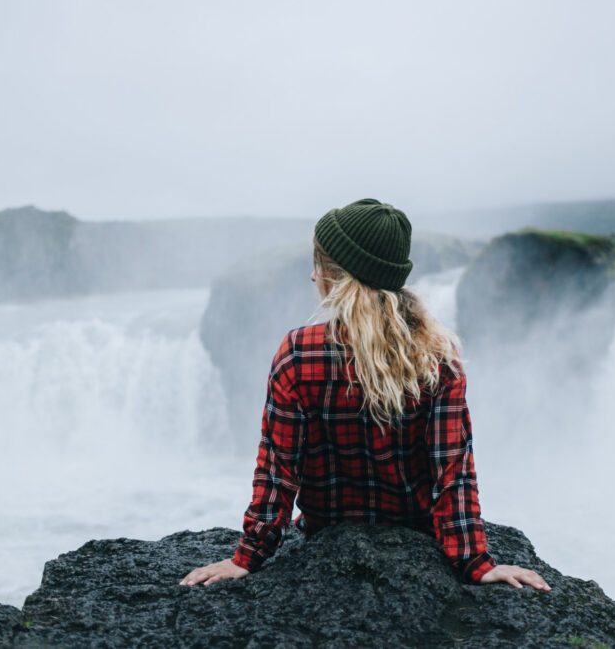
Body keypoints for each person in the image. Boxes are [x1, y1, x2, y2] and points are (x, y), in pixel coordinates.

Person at [179, 198, 550, 592]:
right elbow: (452, 470)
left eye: (318, 264)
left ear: (340, 277)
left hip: (325, 538)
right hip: (417, 538)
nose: (311, 276)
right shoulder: (437, 355)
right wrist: (475, 562)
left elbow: (278, 471)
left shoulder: (298, 354)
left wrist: (248, 556)